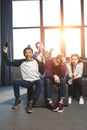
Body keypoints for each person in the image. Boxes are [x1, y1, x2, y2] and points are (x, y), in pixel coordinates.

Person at [2, 45, 45, 113]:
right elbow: (8, 63)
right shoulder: (21, 62)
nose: (28, 54)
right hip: (26, 82)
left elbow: (42, 71)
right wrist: (4, 53)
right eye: (26, 53)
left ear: (32, 53)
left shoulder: (36, 61)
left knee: (41, 82)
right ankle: (17, 99)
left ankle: (31, 102)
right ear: (24, 54)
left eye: (29, 52)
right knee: (15, 82)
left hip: (36, 80)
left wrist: (42, 63)